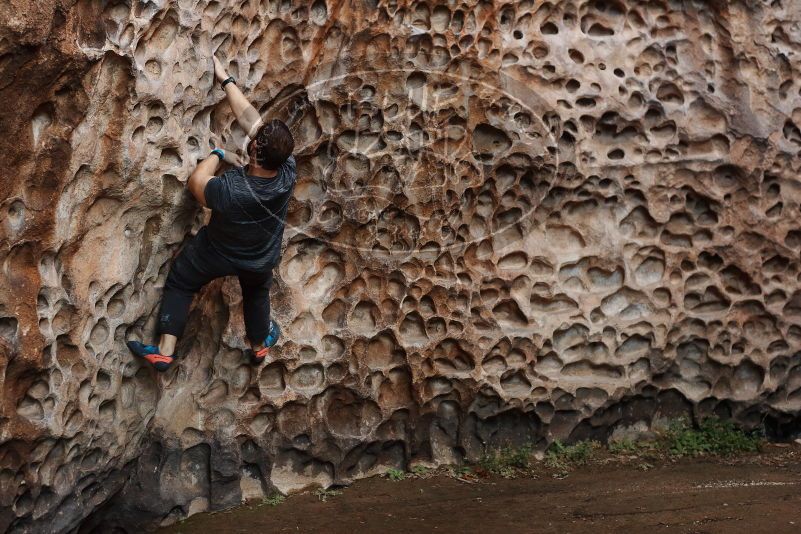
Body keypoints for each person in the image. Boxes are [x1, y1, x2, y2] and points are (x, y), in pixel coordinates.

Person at [126, 55, 296, 371]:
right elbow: (251, 120)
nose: (253, 133)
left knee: (181, 280)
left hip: (216, 253)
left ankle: (165, 350)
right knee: (256, 291)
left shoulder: (231, 190)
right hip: (260, 258)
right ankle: (259, 347)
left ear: (256, 152)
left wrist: (217, 155)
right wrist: (225, 79)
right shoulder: (286, 169)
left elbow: (196, 183)